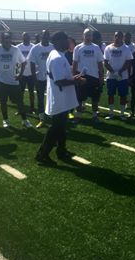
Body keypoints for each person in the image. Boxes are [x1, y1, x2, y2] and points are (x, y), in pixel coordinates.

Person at [35, 31, 86, 166]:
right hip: (59, 98)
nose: (68, 43)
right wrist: (77, 82)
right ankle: (42, 154)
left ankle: (61, 151)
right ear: (58, 42)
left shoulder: (57, 55)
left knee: (62, 127)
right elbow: (59, 81)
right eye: (65, 40)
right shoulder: (57, 58)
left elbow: (61, 77)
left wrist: (73, 78)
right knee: (55, 128)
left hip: (61, 98)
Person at [0, 32, 32, 128]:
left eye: (9, 39)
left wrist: (20, 74)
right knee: (3, 102)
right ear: (1, 40)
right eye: (5, 39)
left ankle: (24, 120)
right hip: (1, 81)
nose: (7, 41)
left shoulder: (15, 49)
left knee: (20, 102)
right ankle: (5, 119)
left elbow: (24, 62)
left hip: (14, 80)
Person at [72, 29, 104, 123]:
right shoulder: (78, 48)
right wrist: (74, 76)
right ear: (83, 36)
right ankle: (78, 116)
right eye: (86, 35)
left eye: (90, 35)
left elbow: (100, 63)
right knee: (79, 98)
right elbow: (74, 63)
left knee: (95, 98)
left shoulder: (96, 48)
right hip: (82, 77)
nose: (88, 37)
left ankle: (94, 116)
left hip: (94, 77)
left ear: (92, 37)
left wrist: (101, 77)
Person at [103, 31, 133, 120]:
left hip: (122, 76)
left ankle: (122, 114)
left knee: (123, 95)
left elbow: (128, 62)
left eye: (119, 36)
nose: (117, 38)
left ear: (122, 38)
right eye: (116, 36)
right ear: (114, 37)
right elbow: (105, 62)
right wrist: (113, 71)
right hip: (111, 76)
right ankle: (111, 113)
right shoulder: (108, 48)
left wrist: (120, 72)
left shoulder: (126, 48)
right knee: (110, 94)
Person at [28, 30, 54, 128]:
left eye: (47, 35)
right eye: (44, 35)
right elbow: (32, 64)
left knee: (51, 98)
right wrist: (35, 79)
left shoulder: (53, 47)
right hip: (39, 79)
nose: (46, 37)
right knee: (40, 99)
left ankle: (51, 116)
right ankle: (42, 119)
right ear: (41, 36)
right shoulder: (35, 48)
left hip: (51, 79)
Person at [16, 32, 35, 113]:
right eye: (24, 36)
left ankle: (32, 108)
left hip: (31, 73)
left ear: (29, 37)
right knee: (20, 92)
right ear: (22, 38)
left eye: (27, 36)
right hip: (21, 74)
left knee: (31, 92)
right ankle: (20, 108)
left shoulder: (33, 47)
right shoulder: (18, 47)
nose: (26, 38)